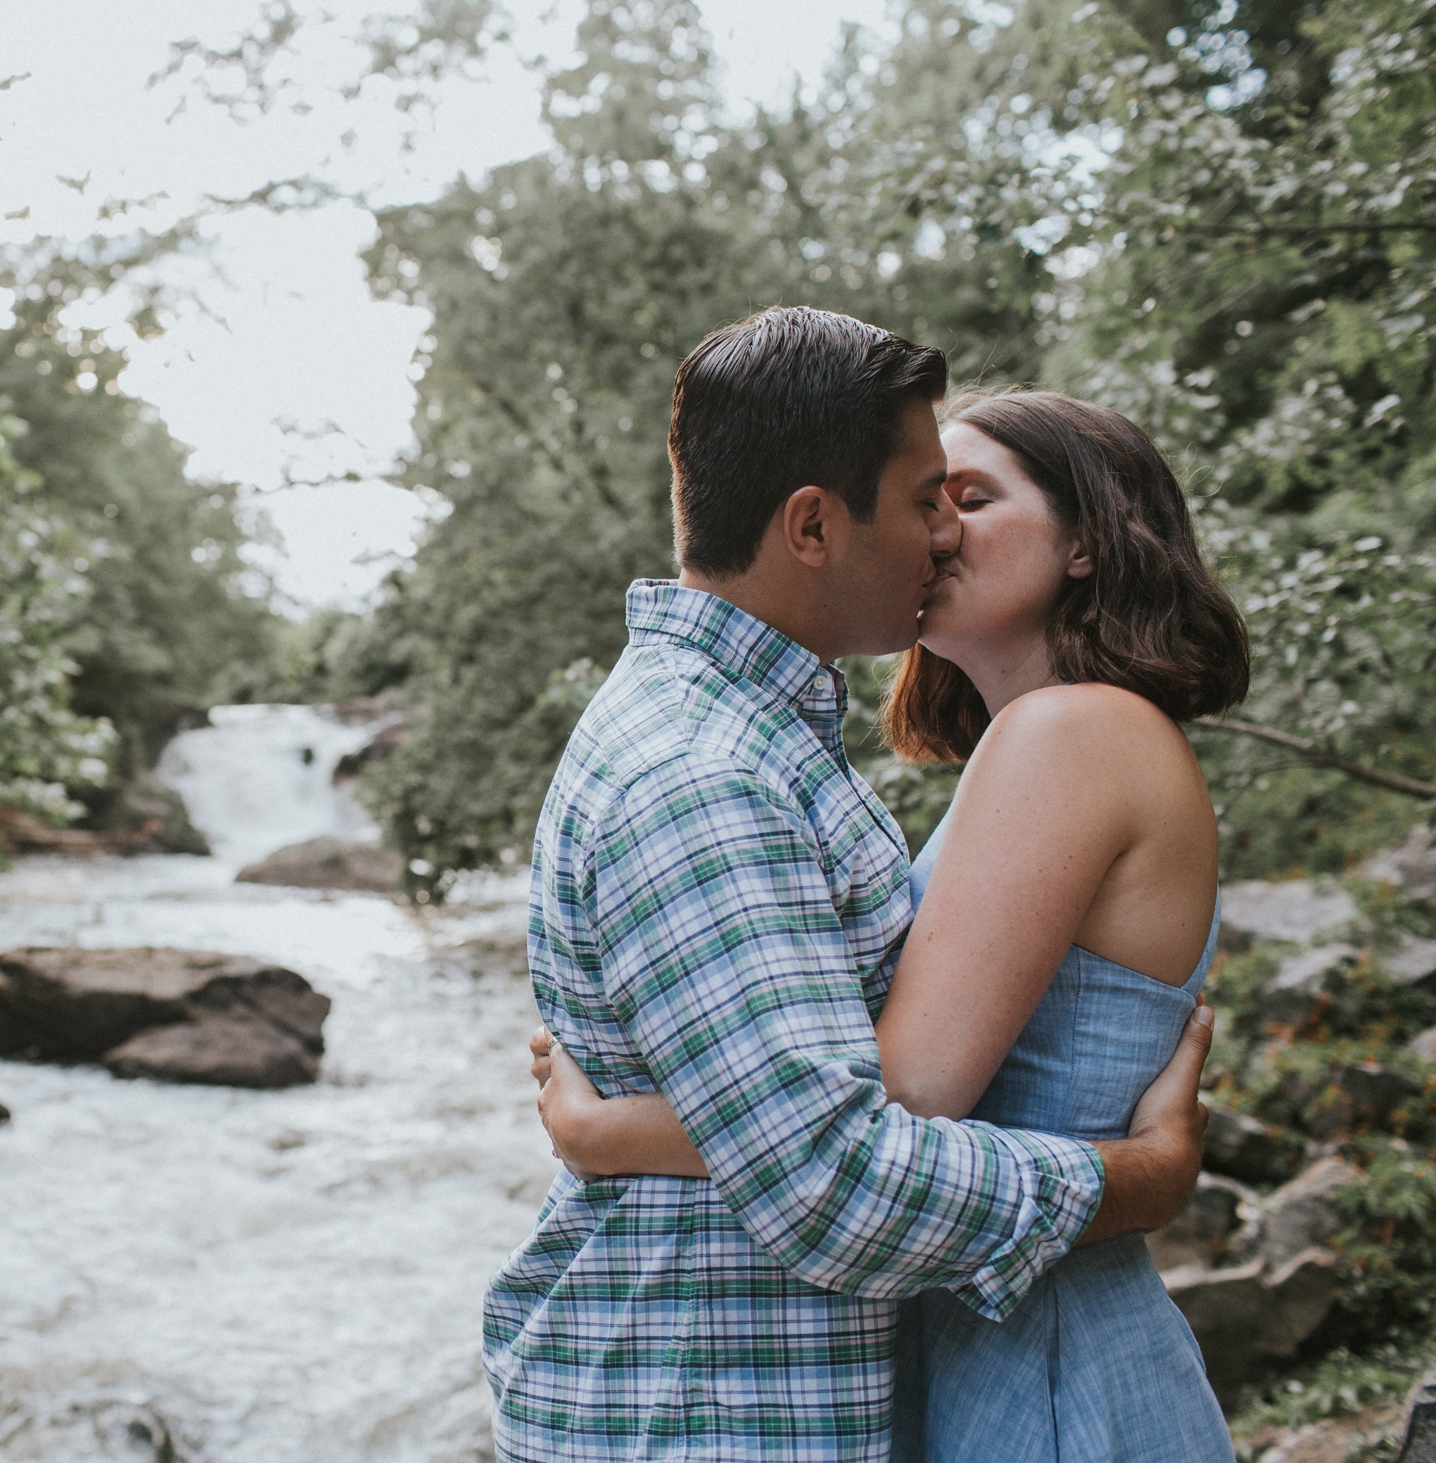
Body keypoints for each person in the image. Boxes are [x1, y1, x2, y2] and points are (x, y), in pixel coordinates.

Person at [481, 307, 1220, 1463]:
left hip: (1043, 1355)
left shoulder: (1065, 737)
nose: (936, 532)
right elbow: (839, 1122)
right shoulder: (758, 753)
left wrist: (609, 1126)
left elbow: (888, 1102)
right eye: (929, 498)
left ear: (1085, 542)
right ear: (814, 524)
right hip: (980, 1331)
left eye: (967, 499)